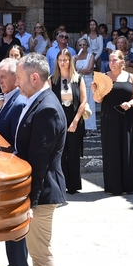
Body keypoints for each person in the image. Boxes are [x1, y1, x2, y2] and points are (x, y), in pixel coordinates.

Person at [7, 53, 66, 266]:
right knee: (35, 251)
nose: (16, 83)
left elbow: (40, 161)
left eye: (19, 78)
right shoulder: (37, 100)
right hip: (36, 192)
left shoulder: (47, 108)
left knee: (41, 254)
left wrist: (31, 199)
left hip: (41, 193)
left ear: (34, 77)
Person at [0, 58, 30, 266]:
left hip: (11, 170)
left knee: (14, 220)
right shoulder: (10, 99)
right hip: (5, 167)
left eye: (3, 77)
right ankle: (15, 263)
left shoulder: (17, 102)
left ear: (16, 78)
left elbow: (17, 140)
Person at [92, 50, 133, 195]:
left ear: (122, 61)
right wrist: (95, 90)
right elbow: (98, 100)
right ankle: (113, 186)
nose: (111, 63)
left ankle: (128, 185)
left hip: (126, 117)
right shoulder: (104, 77)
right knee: (111, 151)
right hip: (109, 117)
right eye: (110, 60)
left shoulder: (130, 76)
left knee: (127, 149)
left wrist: (130, 103)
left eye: (114, 60)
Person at [50, 49, 86, 194]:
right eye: (60, 60)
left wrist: (75, 121)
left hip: (74, 116)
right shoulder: (52, 79)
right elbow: (50, 101)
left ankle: (73, 185)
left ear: (70, 61)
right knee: (59, 153)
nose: (63, 63)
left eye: (65, 60)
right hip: (59, 118)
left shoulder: (78, 79)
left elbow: (83, 101)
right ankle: (60, 185)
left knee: (73, 153)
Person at [72, 36, 97, 134]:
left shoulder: (91, 56)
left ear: (87, 46)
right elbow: (72, 71)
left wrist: (79, 71)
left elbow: (89, 70)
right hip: (78, 82)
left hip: (88, 81)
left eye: (84, 45)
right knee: (80, 104)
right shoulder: (75, 57)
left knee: (90, 103)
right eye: (80, 45)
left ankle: (90, 127)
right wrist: (74, 61)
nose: (82, 47)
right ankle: (81, 126)